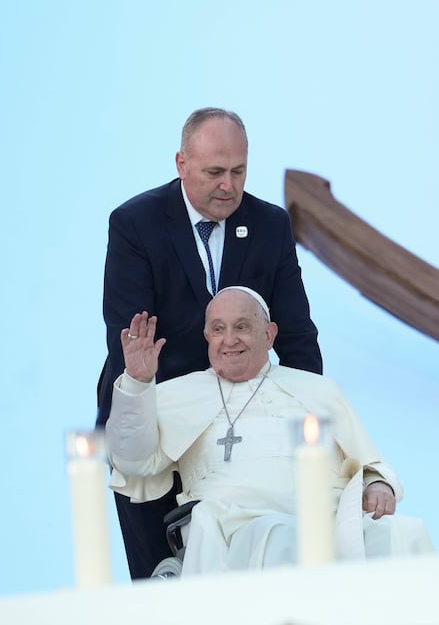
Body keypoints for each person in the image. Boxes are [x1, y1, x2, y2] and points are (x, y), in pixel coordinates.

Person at [96, 107, 322, 579]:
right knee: (162, 576)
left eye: (239, 171)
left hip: (243, 426)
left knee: (250, 568)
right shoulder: (135, 224)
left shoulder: (270, 225)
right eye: (214, 172)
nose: (228, 185)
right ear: (181, 164)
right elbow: (131, 341)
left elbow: (297, 335)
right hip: (156, 421)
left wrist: (311, 417)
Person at [106, 288, 430, 575]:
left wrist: (377, 483)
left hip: (332, 518)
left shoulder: (319, 390)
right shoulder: (177, 395)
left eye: (242, 327)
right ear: (207, 336)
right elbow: (133, 462)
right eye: (218, 329)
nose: (229, 339)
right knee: (283, 536)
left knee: (400, 533)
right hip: (235, 525)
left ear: (270, 334)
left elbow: (367, 463)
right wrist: (137, 382)